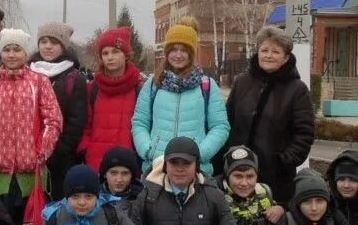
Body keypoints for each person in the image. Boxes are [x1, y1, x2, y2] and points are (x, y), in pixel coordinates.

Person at [219, 26, 314, 202]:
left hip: (275, 178)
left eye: (275, 51)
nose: (269, 55)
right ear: (257, 52)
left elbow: (304, 135)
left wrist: (282, 162)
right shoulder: (242, 83)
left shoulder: (297, 90)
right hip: (236, 172)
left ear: (286, 57)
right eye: (264, 50)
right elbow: (226, 122)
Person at [0, 29, 62, 224]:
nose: (11, 55)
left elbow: (53, 120)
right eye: (7, 50)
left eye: (17, 49)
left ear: (25, 53)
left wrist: (40, 152)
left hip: (30, 170)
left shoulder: (39, 81)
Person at [131, 17, 229, 176]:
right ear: (166, 52)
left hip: (195, 170)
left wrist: (200, 154)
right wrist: (148, 150)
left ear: (191, 53)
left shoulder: (207, 86)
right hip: (157, 168)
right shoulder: (153, 84)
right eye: (173, 49)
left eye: (184, 50)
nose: (178, 55)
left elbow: (220, 126)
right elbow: (139, 122)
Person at [30, 22, 87, 201]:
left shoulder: (74, 78)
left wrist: (55, 151)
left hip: (60, 159)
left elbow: (76, 121)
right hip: (29, 155)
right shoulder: (27, 72)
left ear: (63, 46)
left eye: (54, 42)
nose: (48, 46)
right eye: (44, 41)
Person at [79, 27, 142, 177]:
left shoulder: (138, 88)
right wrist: (85, 149)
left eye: (115, 52)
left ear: (126, 55)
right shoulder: (93, 88)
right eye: (105, 53)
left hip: (127, 165)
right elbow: (85, 125)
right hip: (96, 163)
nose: (110, 57)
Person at [98, 146, 145, 212]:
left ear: (132, 175)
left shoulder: (143, 199)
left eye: (125, 173)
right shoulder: (91, 196)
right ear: (105, 174)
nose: (119, 180)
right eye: (113, 173)